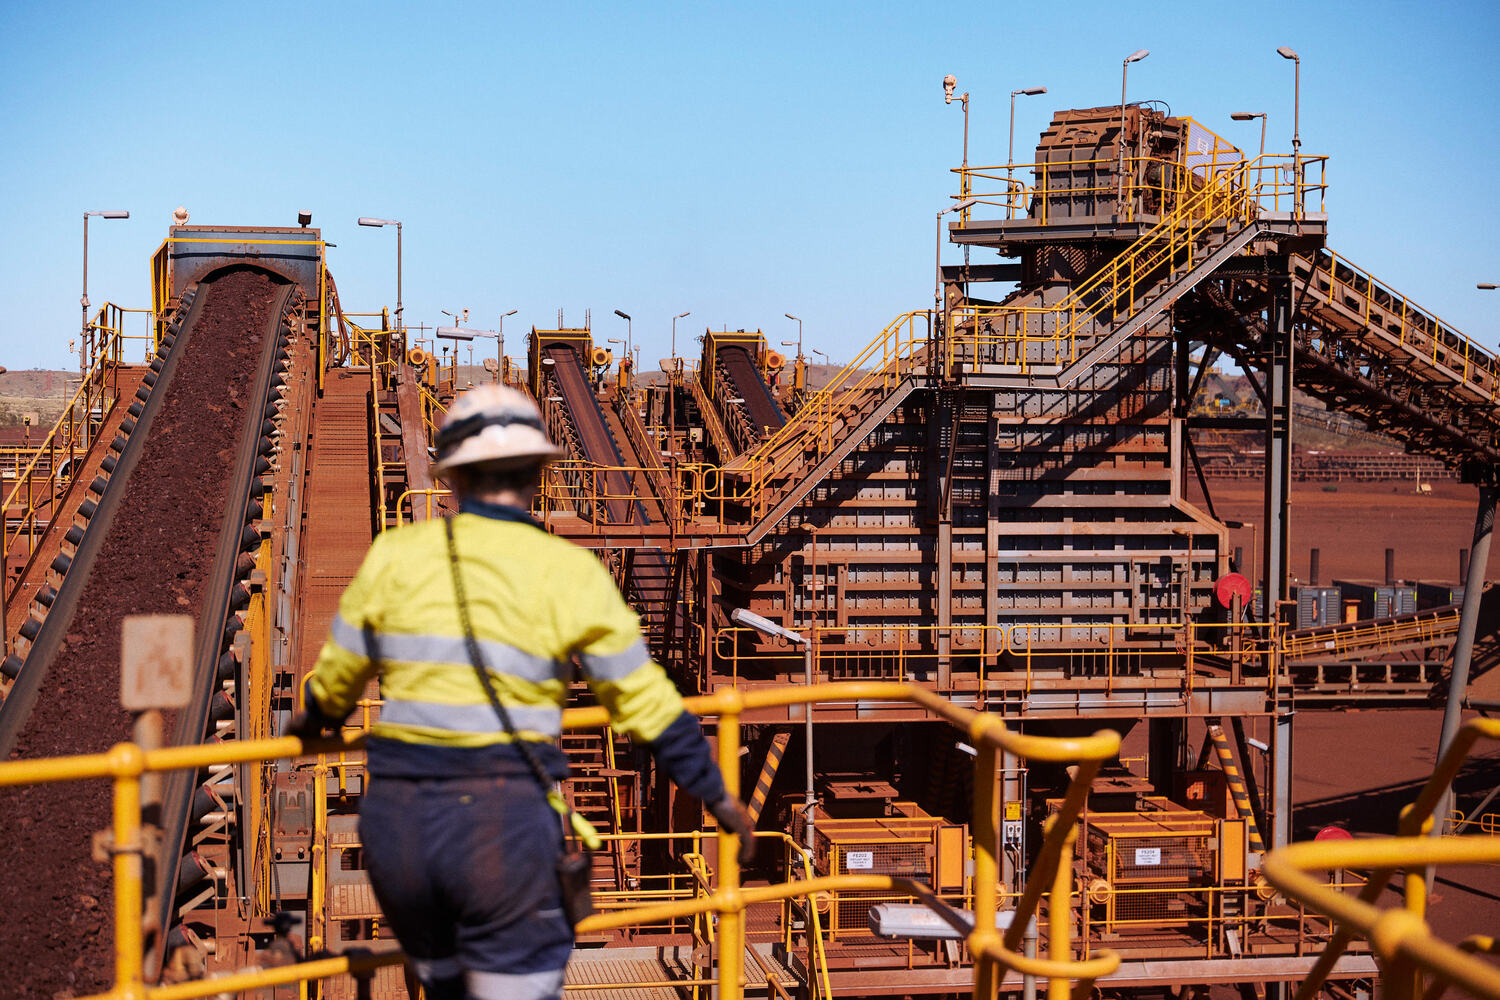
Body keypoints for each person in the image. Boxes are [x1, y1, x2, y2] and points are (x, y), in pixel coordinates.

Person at [290, 385, 754, 1000]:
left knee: (441, 980)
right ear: (538, 473)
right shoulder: (566, 571)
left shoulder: (395, 555)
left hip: (399, 823)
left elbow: (336, 681)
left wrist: (311, 726)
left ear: (450, 475)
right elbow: (647, 705)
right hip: (497, 822)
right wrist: (716, 795)